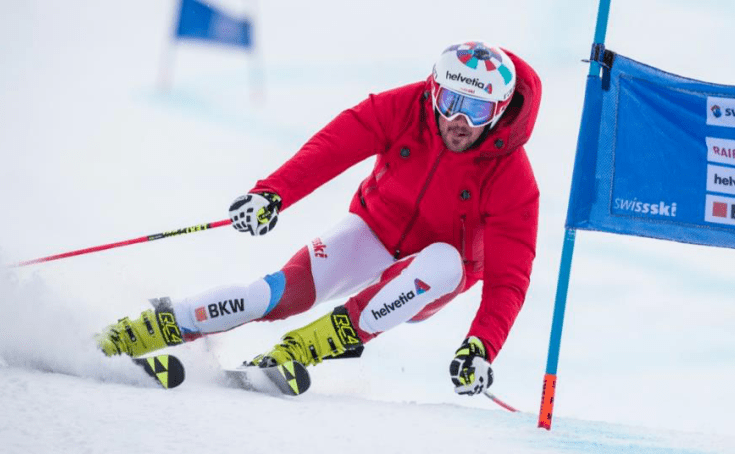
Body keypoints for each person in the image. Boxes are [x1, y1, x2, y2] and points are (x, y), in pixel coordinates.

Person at [95, 41, 541, 397]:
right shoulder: (407, 107)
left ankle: (306, 346)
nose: (458, 121)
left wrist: (481, 345)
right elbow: (335, 145)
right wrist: (272, 193)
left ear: (499, 112)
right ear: (433, 90)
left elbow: (510, 277)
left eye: (477, 110)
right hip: (374, 230)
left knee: (444, 260)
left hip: (433, 278)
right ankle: (149, 329)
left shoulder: (513, 177)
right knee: (266, 295)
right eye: (450, 101)